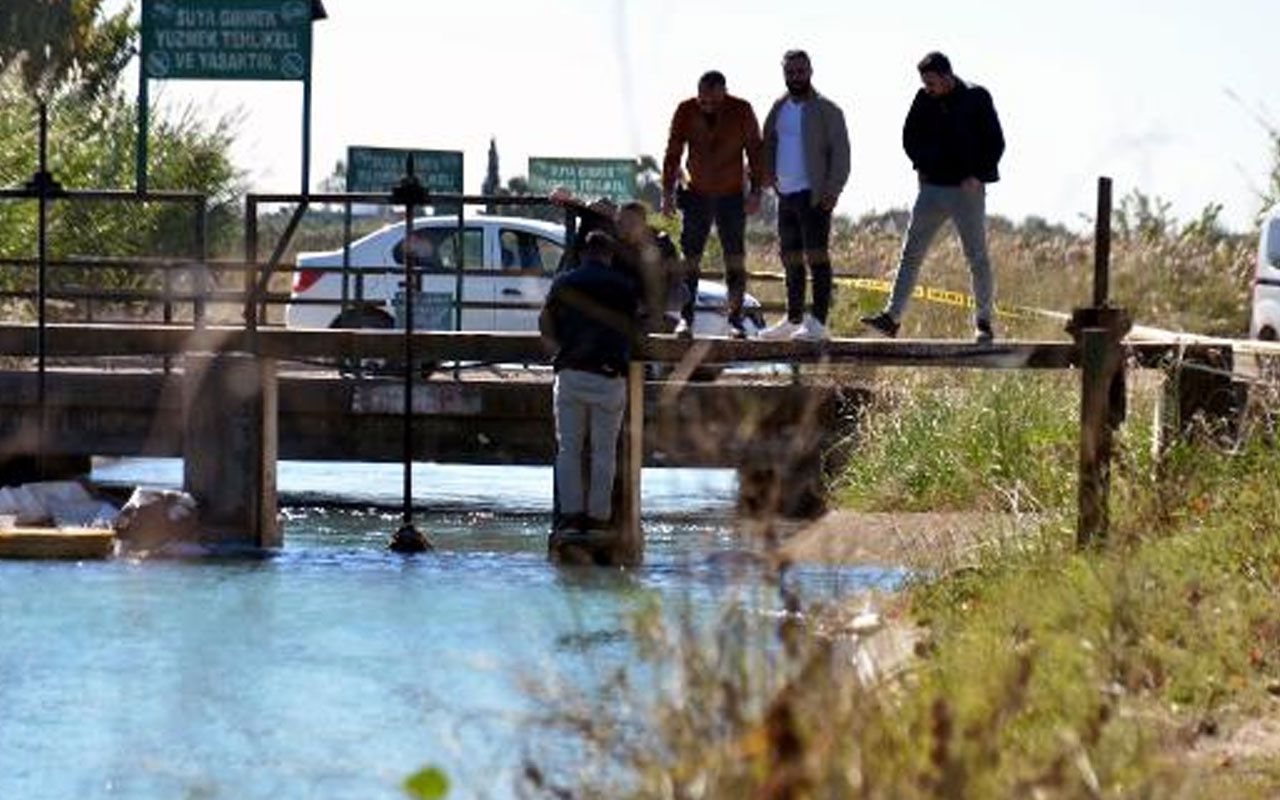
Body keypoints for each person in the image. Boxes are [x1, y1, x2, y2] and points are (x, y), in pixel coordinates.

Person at [861, 51, 1005, 343]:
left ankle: (983, 323)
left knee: (976, 257)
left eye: (931, 82)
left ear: (946, 76)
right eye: (925, 83)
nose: (928, 88)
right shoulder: (924, 99)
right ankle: (892, 318)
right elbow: (909, 136)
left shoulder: (977, 97)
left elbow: (995, 141)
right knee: (911, 253)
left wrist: (978, 174)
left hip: (967, 191)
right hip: (932, 190)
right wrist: (920, 165)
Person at [539, 230, 640, 534]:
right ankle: (598, 518)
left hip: (571, 372)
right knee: (604, 451)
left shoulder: (564, 282)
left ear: (584, 253)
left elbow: (545, 323)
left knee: (568, 449)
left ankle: (571, 517)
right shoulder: (624, 286)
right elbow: (635, 329)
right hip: (609, 375)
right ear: (609, 256)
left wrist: (561, 346)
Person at [661, 70, 764, 338]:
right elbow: (673, 150)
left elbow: (755, 150)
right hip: (696, 193)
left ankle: (736, 319)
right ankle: (686, 319)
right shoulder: (685, 110)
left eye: (713, 101)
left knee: (734, 257)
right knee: (690, 256)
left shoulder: (742, 110)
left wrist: (755, 192)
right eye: (702, 100)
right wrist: (667, 192)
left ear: (724, 93)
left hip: (731, 194)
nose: (707, 105)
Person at [758, 49, 851, 342]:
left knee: (817, 258)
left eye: (800, 71)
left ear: (810, 71)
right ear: (784, 73)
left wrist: (832, 191)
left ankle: (819, 322)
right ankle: (793, 318)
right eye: (790, 72)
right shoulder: (778, 107)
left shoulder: (828, 110)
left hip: (814, 196)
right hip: (785, 195)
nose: (795, 77)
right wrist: (768, 177)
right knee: (790, 259)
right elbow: (767, 143)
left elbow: (842, 155)